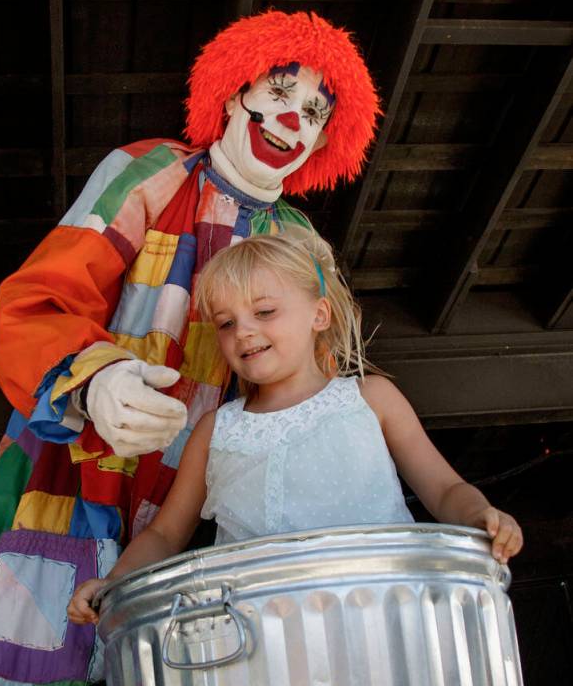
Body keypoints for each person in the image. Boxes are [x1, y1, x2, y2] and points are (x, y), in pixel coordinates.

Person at [0, 11, 381, 686]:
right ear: (237, 84)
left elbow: (321, 398)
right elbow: (38, 300)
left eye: (318, 110)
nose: (295, 119)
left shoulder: (299, 240)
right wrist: (93, 380)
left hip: (205, 555)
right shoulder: (151, 168)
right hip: (54, 518)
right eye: (282, 91)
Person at [68, 230, 523, 624]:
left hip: (381, 616)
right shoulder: (215, 429)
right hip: (259, 639)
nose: (243, 331)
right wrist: (113, 583)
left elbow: (443, 489)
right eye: (226, 323)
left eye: (264, 312)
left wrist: (480, 517)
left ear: (319, 315)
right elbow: (165, 534)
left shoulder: (369, 399)